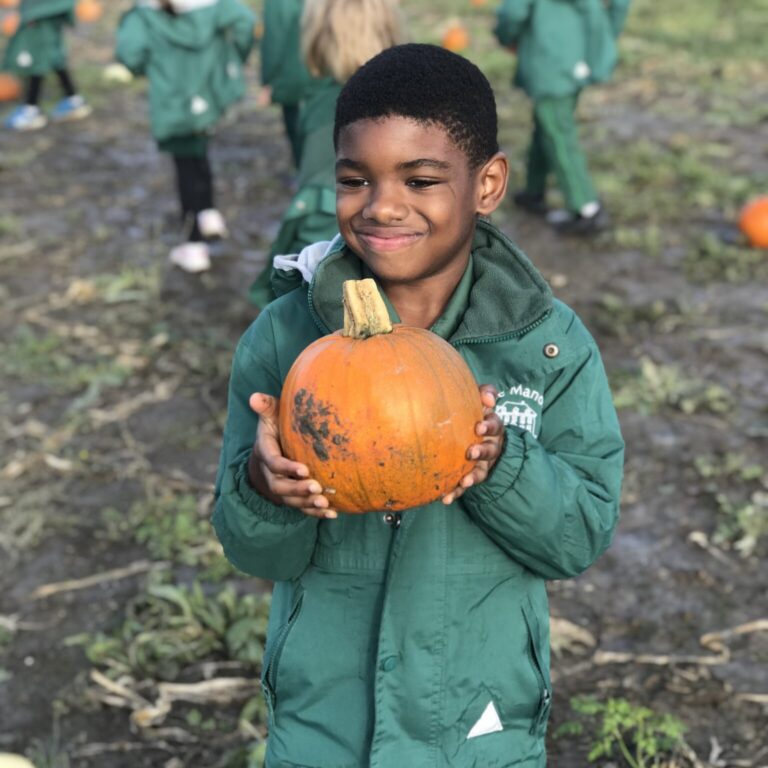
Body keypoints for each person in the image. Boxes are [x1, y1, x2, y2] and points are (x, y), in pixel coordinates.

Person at [213, 43, 624, 766]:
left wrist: (504, 465)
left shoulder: (548, 348)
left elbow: (580, 535)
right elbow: (251, 549)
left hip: (477, 724)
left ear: (488, 183)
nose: (382, 206)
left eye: (422, 178)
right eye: (354, 179)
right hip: (323, 723)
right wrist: (262, 489)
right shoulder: (283, 342)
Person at [247, 0, 404, 309]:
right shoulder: (406, 95)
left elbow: (320, 204)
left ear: (319, 39)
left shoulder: (330, 110)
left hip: (338, 258)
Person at [115, 0, 256, 273]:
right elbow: (245, 22)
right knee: (198, 150)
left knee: (185, 166)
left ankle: (193, 244)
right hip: (206, 93)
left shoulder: (144, 13)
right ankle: (207, 212)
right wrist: (230, 56)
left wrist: (148, 66)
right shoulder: (210, 5)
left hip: (172, 101)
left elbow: (129, 52)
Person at [495, 0, 632, 234]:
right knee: (546, 125)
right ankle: (534, 190)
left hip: (548, 59)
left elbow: (513, 12)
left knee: (558, 133)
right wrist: (605, 38)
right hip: (578, 57)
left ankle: (587, 207)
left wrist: (506, 36)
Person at [2, 0, 91, 131]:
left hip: (40, 21)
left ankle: (31, 109)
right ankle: (73, 99)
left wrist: (29, 14)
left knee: (38, 60)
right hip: (43, 19)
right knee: (53, 58)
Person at [258, 0, 314, 169]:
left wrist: (268, 80)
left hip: (293, 77)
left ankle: (306, 184)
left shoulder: (277, 4)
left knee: (298, 136)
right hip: (325, 73)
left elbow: (273, 41)